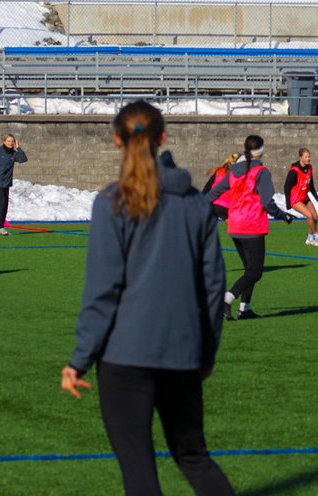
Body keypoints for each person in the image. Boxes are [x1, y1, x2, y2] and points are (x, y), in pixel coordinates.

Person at [60, 100, 234, 496]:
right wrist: (205, 351)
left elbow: (103, 290)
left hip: (125, 357)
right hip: (182, 354)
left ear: (116, 140)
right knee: (194, 457)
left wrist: (79, 360)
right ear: (163, 139)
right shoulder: (194, 205)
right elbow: (213, 286)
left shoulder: (111, 204)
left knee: (139, 473)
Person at [204, 135, 293, 320]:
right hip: (251, 226)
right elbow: (267, 203)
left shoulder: (234, 170)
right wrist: (283, 215)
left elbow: (214, 192)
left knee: (248, 270)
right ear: (261, 151)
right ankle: (227, 299)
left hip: (235, 225)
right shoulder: (262, 172)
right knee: (255, 272)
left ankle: (245, 308)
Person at [284, 148, 318, 247]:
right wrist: (288, 203)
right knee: (309, 216)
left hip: (304, 197)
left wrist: (316, 196)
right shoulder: (294, 171)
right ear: (300, 157)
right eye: (306, 157)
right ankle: (316, 236)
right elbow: (286, 186)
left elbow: (310, 184)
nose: (308, 158)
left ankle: (310, 238)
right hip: (295, 199)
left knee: (315, 217)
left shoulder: (309, 168)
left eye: (309, 156)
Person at [201, 152, 240, 220]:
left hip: (212, 204)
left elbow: (207, 188)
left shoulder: (219, 171)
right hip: (227, 207)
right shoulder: (239, 175)